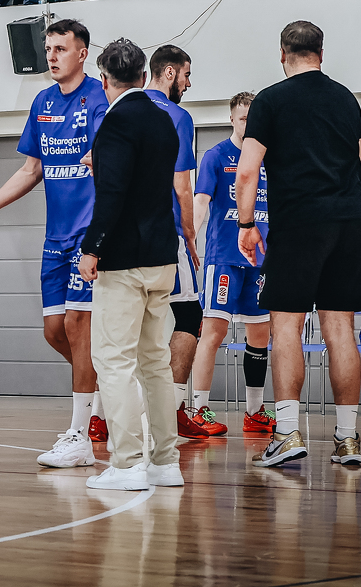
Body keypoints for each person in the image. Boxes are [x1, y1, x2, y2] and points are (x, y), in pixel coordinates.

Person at [0, 19, 109, 466]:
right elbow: (30, 170)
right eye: (49, 48)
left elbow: (110, 161)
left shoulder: (99, 98)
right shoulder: (42, 102)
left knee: (78, 326)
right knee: (54, 331)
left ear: (82, 53)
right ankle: (112, 390)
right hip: (55, 235)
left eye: (61, 48)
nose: (52, 56)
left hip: (88, 234)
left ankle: (81, 433)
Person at [237, 21, 361, 468]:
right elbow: (358, 161)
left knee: (286, 326)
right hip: (348, 220)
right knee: (340, 328)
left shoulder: (270, 100)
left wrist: (247, 223)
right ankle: (347, 440)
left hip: (298, 222)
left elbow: (247, 171)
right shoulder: (346, 99)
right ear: (321, 54)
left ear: (282, 54)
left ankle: (288, 432)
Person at [76, 38, 184, 491]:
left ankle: (125, 464)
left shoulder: (115, 122)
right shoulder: (164, 121)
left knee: (114, 361)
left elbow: (113, 194)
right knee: (155, 362)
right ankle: (165, 462)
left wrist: (91, 246)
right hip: (162, 256)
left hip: (125, 262)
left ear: (104, 81)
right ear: (143, 76)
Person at [189, 93, 274, 435]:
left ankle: (254, 412)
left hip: (260, 261)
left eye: (253, 119)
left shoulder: (269, 158)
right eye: (242, 119)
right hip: (224, 257)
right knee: (214, 332)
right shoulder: (216, 156)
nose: (248, 125)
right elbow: (200, 201)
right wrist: (188, 240)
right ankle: (198, 409)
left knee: (260, 334)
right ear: (232, 120)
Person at [142, 46, 215, 438]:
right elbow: (183, 187)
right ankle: (168, 413)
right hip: (165, 233)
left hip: (123, 237)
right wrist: (189, 234)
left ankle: (102, 417)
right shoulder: (177, 116)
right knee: (189, 315)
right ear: (169, 72)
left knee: (130, 327)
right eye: (186, 75)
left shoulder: (121, 109)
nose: (188, 83)